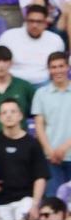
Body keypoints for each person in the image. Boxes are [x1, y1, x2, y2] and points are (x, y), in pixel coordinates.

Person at [0, 99, 48, 220]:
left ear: (20, 116)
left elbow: (40, 177)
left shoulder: (32, 144)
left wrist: (35, 205)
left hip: (25, 199)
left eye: (13, 111)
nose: (8, 115)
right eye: (4, 112)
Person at [0, 6, 65, 89]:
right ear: (26, 21)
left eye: (39, 22)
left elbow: (60, 67)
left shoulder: (55, 40)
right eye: (31, 21)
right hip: (14, 83)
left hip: (44, 84)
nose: (34, 25)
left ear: (46, 23)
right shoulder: (8, 36)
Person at [33, 52, 71, 196]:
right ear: (48, 70)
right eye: (53, 67)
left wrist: (65, 147)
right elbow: (39, 125)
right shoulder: (41, 94)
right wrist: (49, 151)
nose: (57, 70)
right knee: (53, 204)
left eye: (61, 66)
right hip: (50, 159)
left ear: (68, 67)